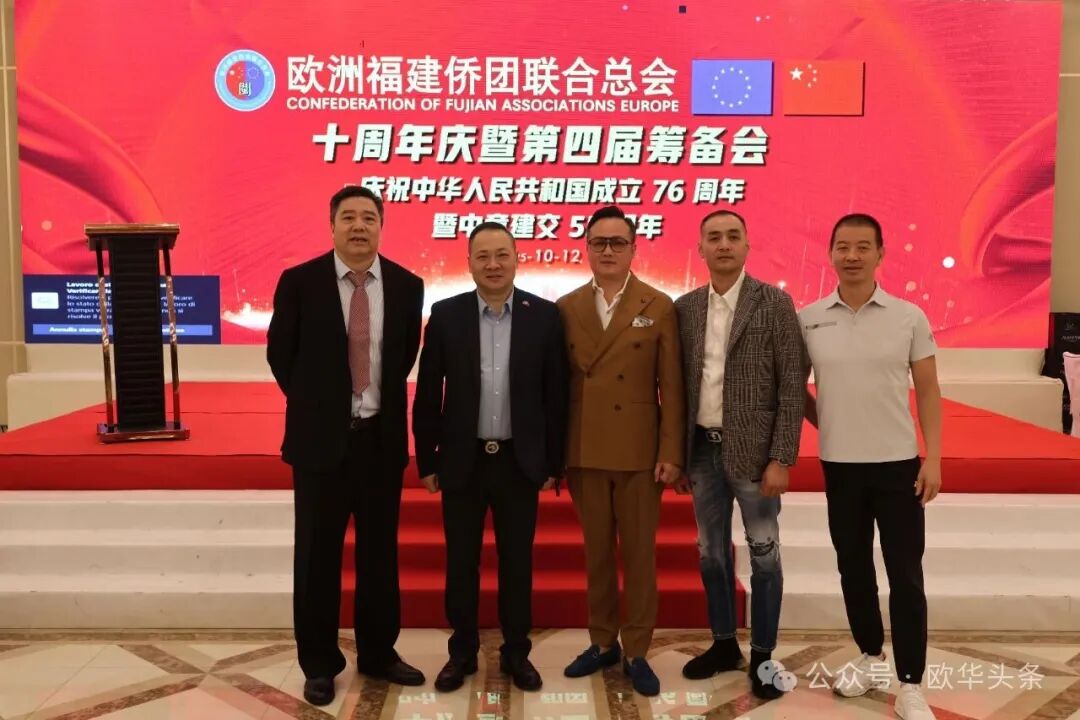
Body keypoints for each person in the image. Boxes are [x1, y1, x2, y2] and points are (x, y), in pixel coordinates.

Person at [267, 185, 425, 706]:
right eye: (349, 217)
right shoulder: (299, 282)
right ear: (332, 225)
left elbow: (401, 357)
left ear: (381, 226)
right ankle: (318, 663)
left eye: (369, 218)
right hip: (319, 447)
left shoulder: (407, 285)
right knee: (317, 559)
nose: (359, 226)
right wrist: (320, 408)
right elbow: (281, 356)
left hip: (380, 442)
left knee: (380, 556)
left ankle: (378, 653)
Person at [413, 221, 569, 693]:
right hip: (464, 460)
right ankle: (461, 652)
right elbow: (428, 393)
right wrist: (427, 460)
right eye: (483, 256)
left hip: (519, 463)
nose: (494, 264)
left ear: (517, 258)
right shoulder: (446, 315)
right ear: (469, 263)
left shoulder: (544, 316)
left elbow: (556, 396)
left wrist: (554, 463)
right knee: (461, 563)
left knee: (516, 564)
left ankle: (516, 652)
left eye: (502, 254)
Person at [801, 213, 942, 720]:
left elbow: (928, 389)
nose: (852, 256)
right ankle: (869, 655)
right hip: (840, 467)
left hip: (898, 466)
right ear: (830, 254)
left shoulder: (908, 316)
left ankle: (911, 683)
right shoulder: (809, 318)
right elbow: (794, 389)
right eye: (843, 246)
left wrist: (933, 458)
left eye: (863, 246)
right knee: (853, 568)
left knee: (905, 574)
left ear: (881, 253)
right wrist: (829, 420)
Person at [673, 210, 807, 699]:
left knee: (764, 554)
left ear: (747, 245)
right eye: (714, 237)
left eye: (733, 236)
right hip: (701, 452)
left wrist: (782, 457)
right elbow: (676, 387)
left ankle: (764, 655)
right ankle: (724, 643)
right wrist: (677, 454)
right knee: (711, 554)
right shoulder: (685, 308)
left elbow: (792, 384)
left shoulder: (774, 303)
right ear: (701, 249)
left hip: (756, 456)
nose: (724, 244)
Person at [556, 205, 685, 697]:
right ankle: (602, 641)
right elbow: (557, 389)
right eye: (599, 242)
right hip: (585, 448)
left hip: (639, 453)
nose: (607, 250)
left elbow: (671, 387)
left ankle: (637, 650)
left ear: (634, 248)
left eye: (617, 242)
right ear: (586, 248)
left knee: (639, 556)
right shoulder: (567, 306)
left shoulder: (658, 304)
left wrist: (671, 450)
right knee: (596, 556)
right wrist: (556, 454)